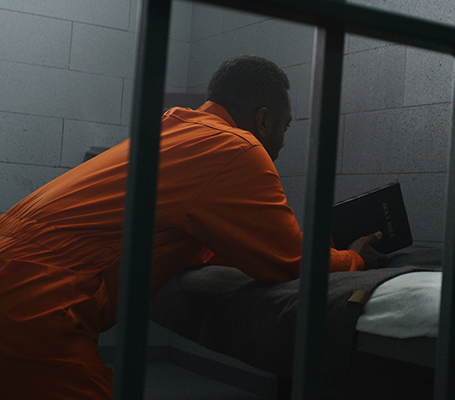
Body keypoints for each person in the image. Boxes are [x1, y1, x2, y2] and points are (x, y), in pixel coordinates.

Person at [0, 55, 386, 399]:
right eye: (285, 126)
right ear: (263, 119)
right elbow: (288, 259)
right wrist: (356, 257)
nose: (283, 142)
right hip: (32, 306)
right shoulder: (237, 148)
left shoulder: (173, 130)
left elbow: (189, 234)